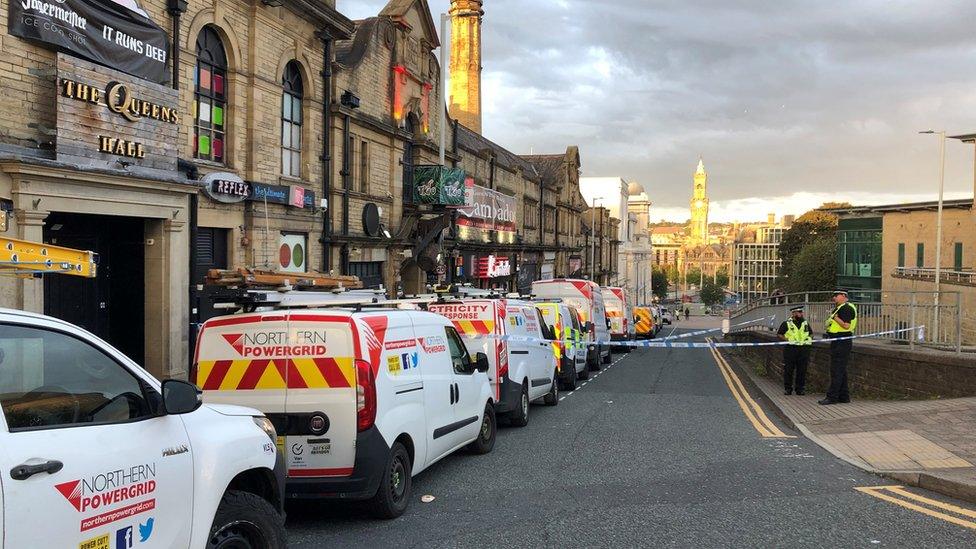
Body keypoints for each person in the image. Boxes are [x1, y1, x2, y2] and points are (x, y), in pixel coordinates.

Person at [819, 290, 857, 405]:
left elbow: (846, 325)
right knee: (841, 370)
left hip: (842, 341)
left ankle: (832, 397)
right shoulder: (840, 308)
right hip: (838, 341)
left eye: (836, 296)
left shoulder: (846, 308)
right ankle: (844, 396)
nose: (834, 298)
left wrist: (835, 318)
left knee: (836, 370)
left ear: (844, 296)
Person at [777, 306, 813, 395]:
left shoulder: (805, 323)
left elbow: (811, 334)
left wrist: (808, 339)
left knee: (802, 370)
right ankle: (788, 389)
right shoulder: (786, 323)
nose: (801, 314)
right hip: (791, 348)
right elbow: (779, 334)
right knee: (789, 369)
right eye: (799, 312)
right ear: (793, 313)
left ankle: (800, 389)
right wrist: (787, 340)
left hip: (803, 349)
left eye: (801, 312)